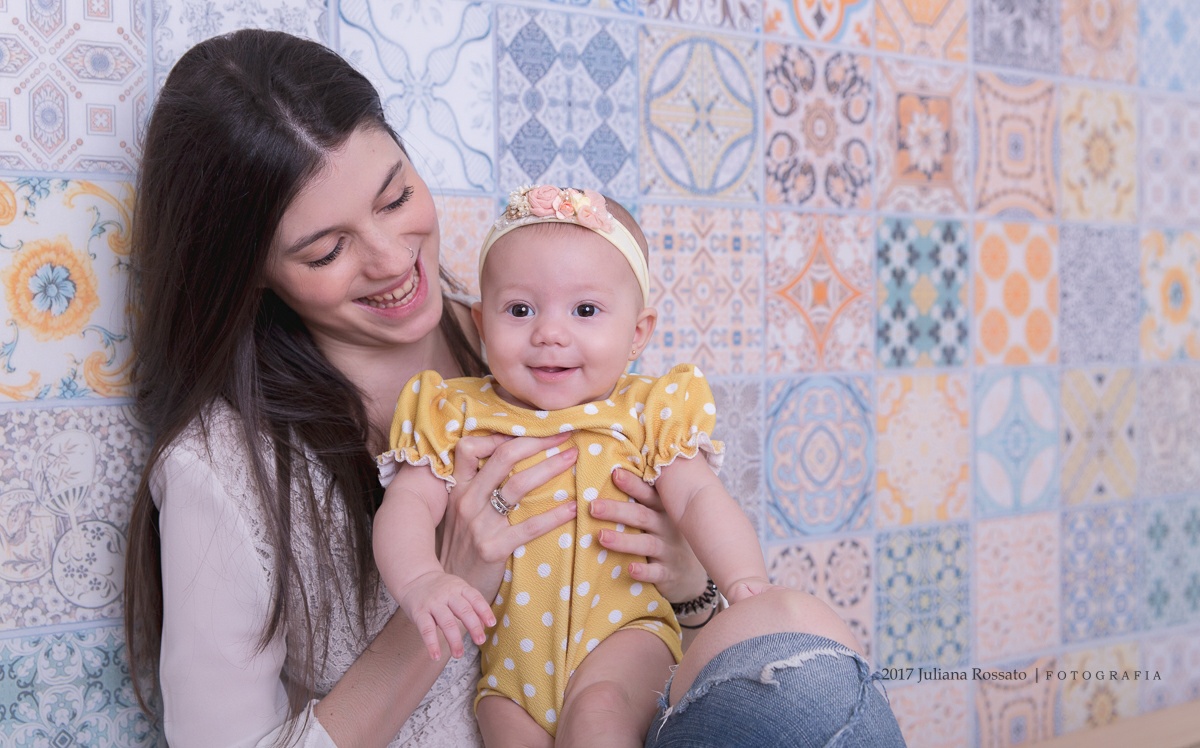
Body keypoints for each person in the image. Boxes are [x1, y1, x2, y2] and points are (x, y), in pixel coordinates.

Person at [122, 27, 906, 748]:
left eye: (396, 198)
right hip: (512, 704)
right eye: (328, 250)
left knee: (805, 662)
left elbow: (701, 661)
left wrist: (691, 587)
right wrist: (440, 593)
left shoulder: (555, 350)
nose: (393, 259)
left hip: (633, 710)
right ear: (249, 273)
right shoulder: (223, 471)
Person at [374, 185, 774, 746]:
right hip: (512, 669)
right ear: (483, 324)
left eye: (585, 310)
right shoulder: (457, 414)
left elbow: (699, 498)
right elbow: (408, 503)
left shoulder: (644, 412)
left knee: (598, 718)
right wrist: (420, 579)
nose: (550, 333)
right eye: (520, 310)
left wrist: (744, 581)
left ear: (637, 333)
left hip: (624, 635)